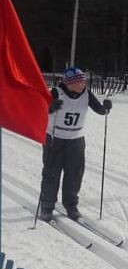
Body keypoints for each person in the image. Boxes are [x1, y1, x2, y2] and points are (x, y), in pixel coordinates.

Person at [39, 67, 112, 222]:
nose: (82, 84)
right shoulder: (56, 92)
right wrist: (50, 107)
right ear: (70, 83)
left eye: (84, 80)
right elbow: (40, 108)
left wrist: (106, 108)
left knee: (74, 174)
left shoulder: (86, 93)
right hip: (55, 138)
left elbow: (100, 110)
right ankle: (46, 207)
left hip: (76, 140)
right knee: (51, 173)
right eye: (79, 81)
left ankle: (71, 206)